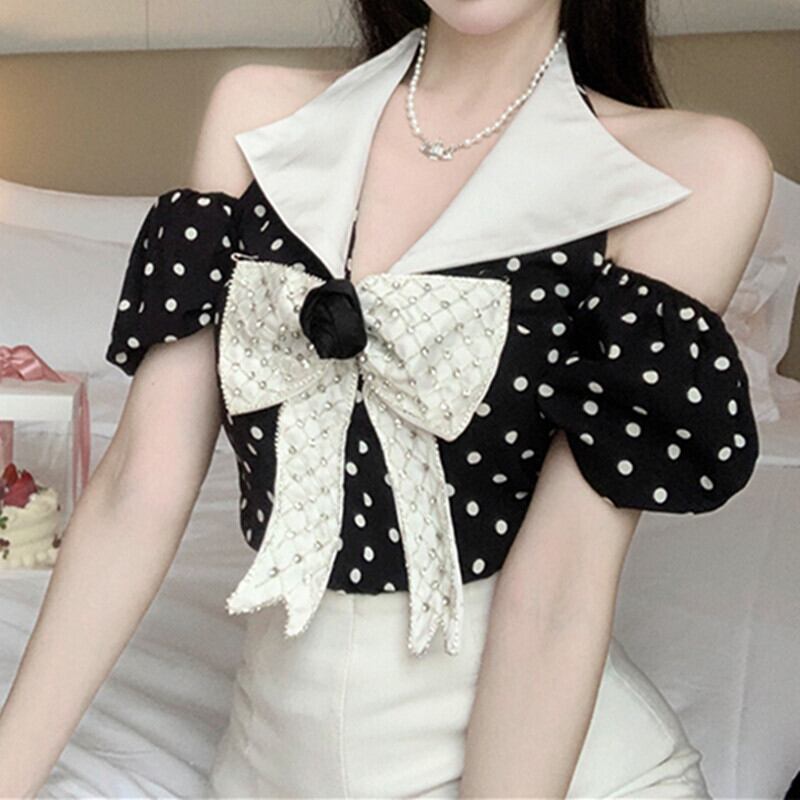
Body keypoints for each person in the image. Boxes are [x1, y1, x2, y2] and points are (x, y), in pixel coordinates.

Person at [0, 1, 773, 798]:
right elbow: (137, 493)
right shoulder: (258, 116)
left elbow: (560, 593)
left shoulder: (692, 171)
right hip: (268, 770)